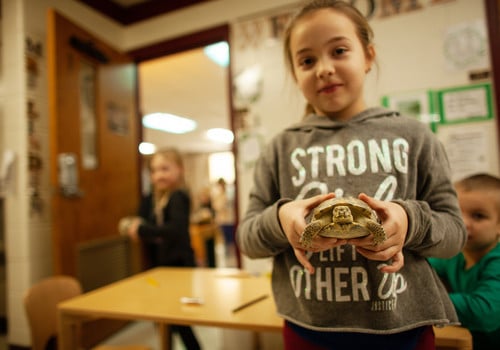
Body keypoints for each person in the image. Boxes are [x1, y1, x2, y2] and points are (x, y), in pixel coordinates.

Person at [235, 1, 467, 349]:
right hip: (308, 327)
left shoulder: (414, 136)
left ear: (368, 56)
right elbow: (248, 238)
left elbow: (454, 233)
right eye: (307, 60)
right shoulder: (279, 148)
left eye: (339, 50)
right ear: (295, 73)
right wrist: (282, 220)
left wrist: (408, 221)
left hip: (401, 325)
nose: (324, 69)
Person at [123, 147, 201, 350]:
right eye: (154, 170)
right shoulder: (152, 199)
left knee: (179, 320)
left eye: (165, 169)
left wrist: (142, 230)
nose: (159, 175)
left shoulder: (178, 197)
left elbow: (174, 229)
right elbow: (142, 217)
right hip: (159, 266)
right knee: (160, 318)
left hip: (178, 266)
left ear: (180, 170)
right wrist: (137, 225)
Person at [428, 173, 500, 350]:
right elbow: (423, 267)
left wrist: (424, 300)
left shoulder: (497, 260)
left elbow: (485, 312)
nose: (464, 223)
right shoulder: (456, 254)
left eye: (478, 216)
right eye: (457, 213)